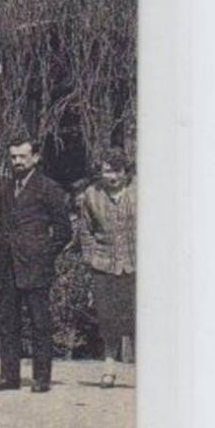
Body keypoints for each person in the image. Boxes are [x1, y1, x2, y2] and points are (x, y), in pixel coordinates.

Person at [0, 133, 74, 394]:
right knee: (7, 322)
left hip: (35, 265)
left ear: (35, 158)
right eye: (13, 157)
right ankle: (9, 377)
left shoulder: (49, 188)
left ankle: (41, 378)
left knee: (39, 323)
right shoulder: (4, 188)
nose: (17, 162)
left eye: (22, 157)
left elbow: (63, 231)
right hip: (7, 265)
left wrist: (44, 254)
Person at [78, 148, 137, 388]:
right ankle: (109, 366)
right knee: (108, 319)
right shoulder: (92, 195)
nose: (112, 177)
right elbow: (85, 230)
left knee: (139, 317)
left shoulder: (139, 191)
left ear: (126, 171)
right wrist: (91, 257)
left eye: (117, 171)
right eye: (107, 171)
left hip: (136, 264)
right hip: (104, 264)